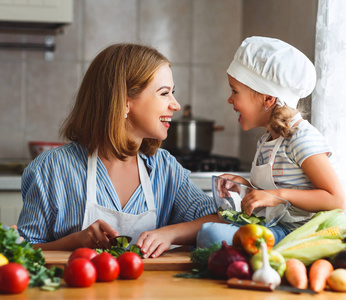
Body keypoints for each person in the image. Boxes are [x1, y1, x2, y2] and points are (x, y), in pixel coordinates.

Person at [17, 43, 219, 258]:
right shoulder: (51, 169)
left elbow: (218, 219)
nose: (176, 105)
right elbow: (22, 252)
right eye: (164, 93)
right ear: (124, 102)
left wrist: (170, 233)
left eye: (172, 93)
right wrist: (74, 242)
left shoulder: (164, 168)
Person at [196, 36, 346, 248]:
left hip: (300, 234)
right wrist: (244, 187)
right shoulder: (268, 140)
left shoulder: (301, 137)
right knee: (208, 232)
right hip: (274, 225)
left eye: (234, 91)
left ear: (268, 99)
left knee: (212, 236)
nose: (230, 99)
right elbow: (270, 197)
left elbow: (336, 199)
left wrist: (278, 195)